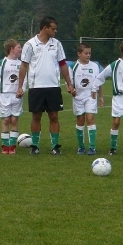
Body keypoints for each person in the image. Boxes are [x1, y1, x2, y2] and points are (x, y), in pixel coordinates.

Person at [16, 16, 75, 155]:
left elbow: (63, 64)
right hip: (36, 87)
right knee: (36, 116)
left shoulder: (57, 44)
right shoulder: (30, 44)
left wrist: (69, 84)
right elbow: (24, 65)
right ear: (45, 28)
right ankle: (35, 146)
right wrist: (20, 86)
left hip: (53, 87)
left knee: (54, 116)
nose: (55, 31)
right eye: (53, 29)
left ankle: (55, 146)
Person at [70, 43, 103, 155]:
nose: (88, 55)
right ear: (79, 54)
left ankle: (92, 147)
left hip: (91, 96)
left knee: (90, 119)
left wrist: (101, 96)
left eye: (89, 53)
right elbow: (68, 83)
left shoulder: (94, 66)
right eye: (86, 53)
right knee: (80, 120)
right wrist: (71, 90)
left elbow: (99, 82)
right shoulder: (73, 66)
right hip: (78, 97)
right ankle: (81, 147)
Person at [0, 39, 25, 154]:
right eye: (19, 47)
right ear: (12, 49)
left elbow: (25, 79)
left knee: (14, 120)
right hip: (4, 95)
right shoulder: (2, 63)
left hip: (17, 96)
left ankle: (12, 146)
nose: (21, 49)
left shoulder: (22, 64)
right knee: (5, 120)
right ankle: (5, 146)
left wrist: (22, 89)